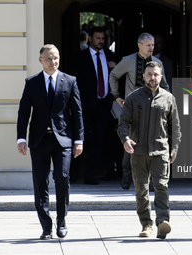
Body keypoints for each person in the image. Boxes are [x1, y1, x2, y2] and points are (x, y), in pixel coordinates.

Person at [17, 44, 84, 240]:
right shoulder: (32, 83)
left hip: (62, 140)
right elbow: (23, 113)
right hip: (39, 140)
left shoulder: (70, 81)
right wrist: (21, 138)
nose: (53, 62)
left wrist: (78, 140)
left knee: (62, 178)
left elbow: (77, 112)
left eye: (56, 58)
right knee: (40, 183)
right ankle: (46, 226)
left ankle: (61, 221)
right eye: (48, 59)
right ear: (41, 61)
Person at [117, 61, 181, 239]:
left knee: (161, 187)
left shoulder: (168, 98)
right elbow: (123, 124)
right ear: (143, 76)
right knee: (141, 190)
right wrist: (126, 139)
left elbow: (175, 127)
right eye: (149, 74)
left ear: (161, 76)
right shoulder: (133, 97)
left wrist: (174, 147)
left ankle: (162, 222)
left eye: (156, 74)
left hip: (161, 151)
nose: (152, 77)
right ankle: (146, 224)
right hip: (138, 152)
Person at [109, 32, 169, 190]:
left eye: (153, 45)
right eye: (148, 45)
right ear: (139, 45)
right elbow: (113, 75)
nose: (151, 48)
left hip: (152, 108)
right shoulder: (128, 60)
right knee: (129, 143)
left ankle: (148, 180)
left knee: (151, 144)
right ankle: (126, 176)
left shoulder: (157, 63)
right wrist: (116, 96)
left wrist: (165, 103)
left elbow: (166, 86)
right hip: (132, 108)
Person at [71, 26, 117, 185]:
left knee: (99, 140)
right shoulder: (80, 57)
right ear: (90, 38)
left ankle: (90, 175)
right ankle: (73, 174)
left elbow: (119, 77)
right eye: (98, 38)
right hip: (84, 105)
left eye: (103, 38)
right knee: (80, 139)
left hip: (103, 104)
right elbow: (73, 82)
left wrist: (115, 68)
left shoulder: (111, 56)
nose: (101, 41)